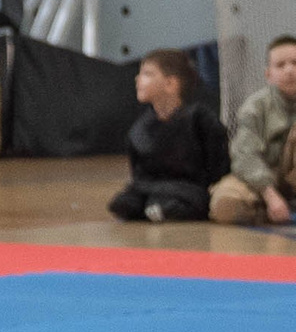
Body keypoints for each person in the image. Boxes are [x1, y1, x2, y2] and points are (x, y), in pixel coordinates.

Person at [108, 48, 230, 224]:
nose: (138, 79)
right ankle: (154, 206)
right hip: (153, 187)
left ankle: (161, 207)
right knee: (124, 204)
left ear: (170, 84)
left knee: (171, 205)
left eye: (147, 74)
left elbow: (218, 163)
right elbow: (139, 174)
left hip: (190, 188)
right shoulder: (140, 128)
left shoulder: (199, 118)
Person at [210, 35, 296, 227]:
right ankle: (271, 211)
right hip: (264, 179)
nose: (289, 70)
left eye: (295, 63)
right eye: (280, 65)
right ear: (268, 74)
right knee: (225, 204)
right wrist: (270, 195)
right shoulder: (255, 107)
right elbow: (245, 156)